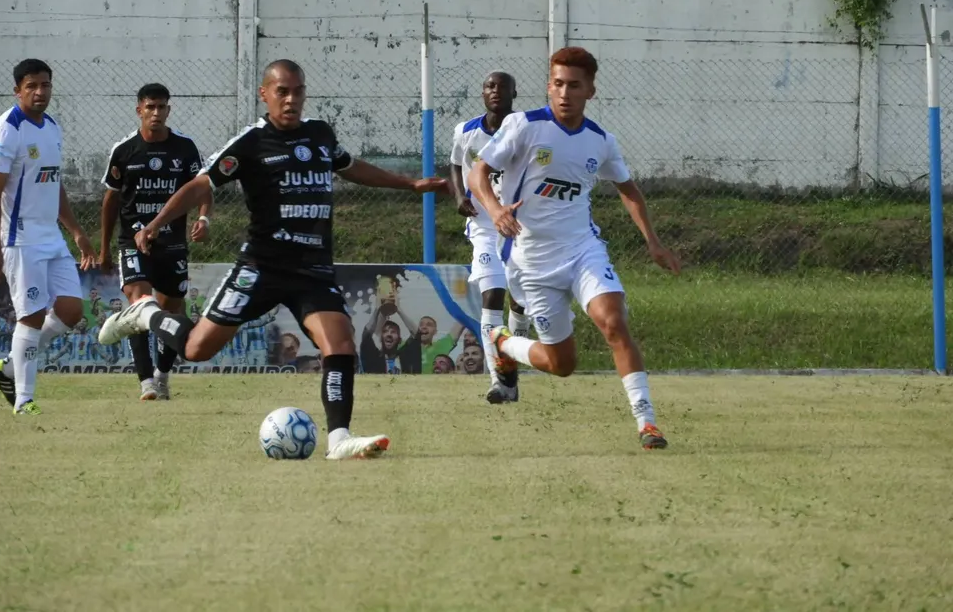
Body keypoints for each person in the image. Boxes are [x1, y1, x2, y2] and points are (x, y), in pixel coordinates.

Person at [99, 59, 448, 460]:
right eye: (282, 91)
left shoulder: (320, 135)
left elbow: (351, 167)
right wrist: (157, 222)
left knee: (340, 345)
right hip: (260, 268)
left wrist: (410, 183)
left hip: (312, 269)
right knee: (196, 349)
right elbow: (201, 185)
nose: (291, 99)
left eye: (298, 91)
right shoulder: (251, 143)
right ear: (264, 94)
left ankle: (338, 440)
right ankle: (144, 314)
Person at [467, 47, 681, 450]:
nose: (564, 93)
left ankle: (647, 422)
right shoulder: (523, 126)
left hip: (583, 249)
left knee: (614, 322)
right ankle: (504, 344)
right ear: (549, 86)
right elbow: (480, 172)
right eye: (558, 84)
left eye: (574, 86)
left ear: (591, 91)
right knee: (562, 365)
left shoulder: (600, 141)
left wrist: (653, 242)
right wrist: (495, 210)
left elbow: (628, 190)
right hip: (531, 262)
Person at [0, 59, 96, 414]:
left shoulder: (51, 127)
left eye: (45, 85)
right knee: (30, 317)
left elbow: (52, 182)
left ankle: (10, 367)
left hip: (52, 237)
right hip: (21, 239)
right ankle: (24, 400)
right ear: (17, 90)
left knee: (71, 310)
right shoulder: (5, 130)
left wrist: (76, 230)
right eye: (31, 86)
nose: (40, 92)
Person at [99, 83, 212, 400]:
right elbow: (110, 201)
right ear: (139, 110)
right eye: (150, 107)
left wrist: (204, 219)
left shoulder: (185, 149)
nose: (156, 113)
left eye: (162, 107)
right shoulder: (124, 152)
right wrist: (104, 248)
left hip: (172, 244)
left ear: (169, 110)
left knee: (171, 312)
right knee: (140, 306)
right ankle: (146, 381)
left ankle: (162, 375)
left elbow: (203, 189)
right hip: (132, 242)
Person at [450, 71, 531, 403]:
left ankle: (513, 366)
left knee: (521, 302)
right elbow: (456, 165)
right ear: (483, 93)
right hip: (484, 225)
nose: (495, 91)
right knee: (492, 295)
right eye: (489, 86)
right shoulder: (466, 131)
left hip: (522, 225)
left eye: (502, 86)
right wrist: (459, 197)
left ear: (515, 92)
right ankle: (500, 380)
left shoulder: (526, 130)